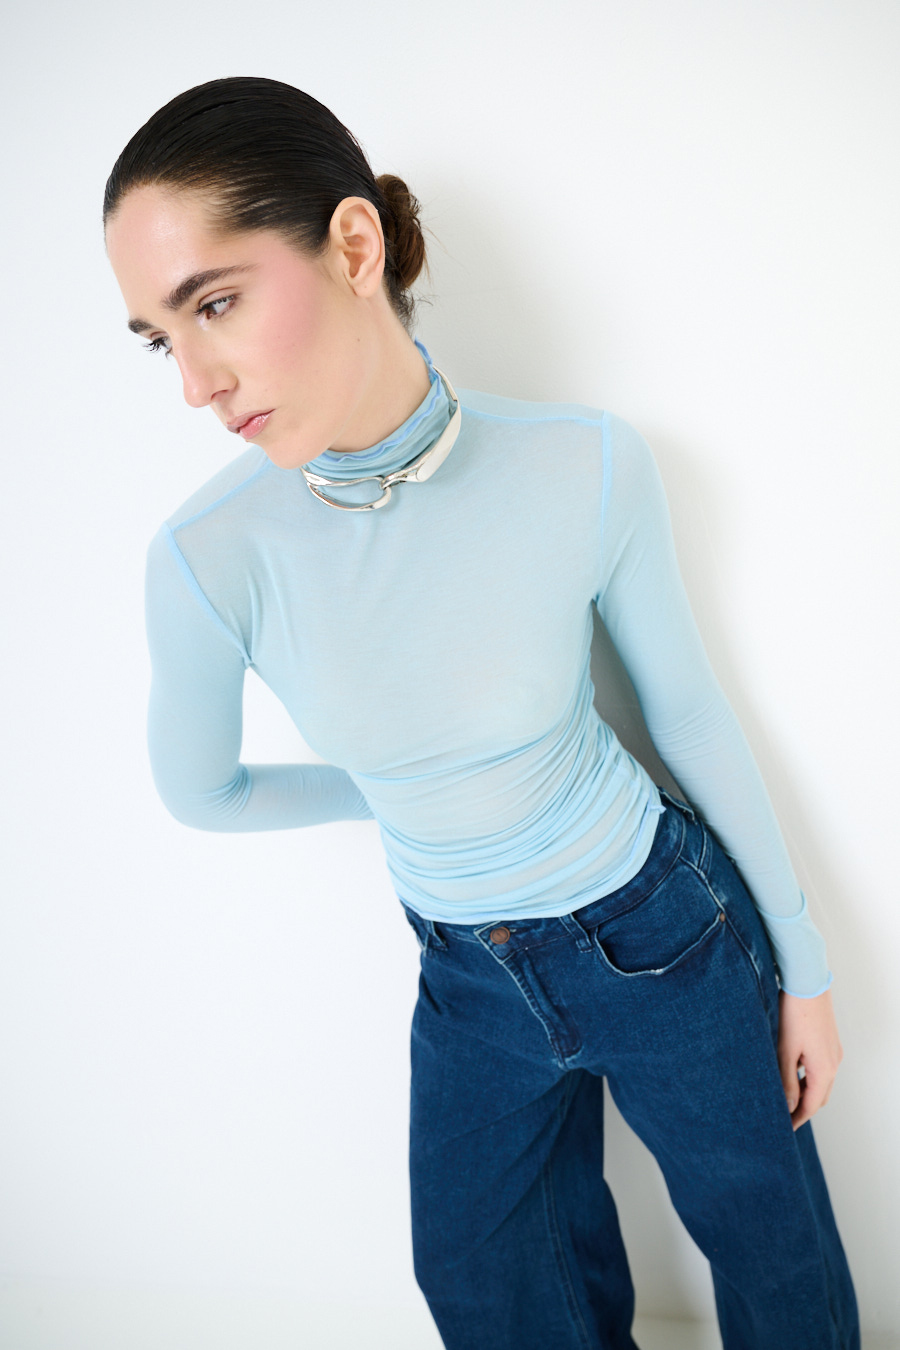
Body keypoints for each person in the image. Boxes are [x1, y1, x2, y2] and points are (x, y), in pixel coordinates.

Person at [103, 76, 860, 1350]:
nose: (195, 384)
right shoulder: (206, 558)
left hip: (664, 929)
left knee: (775, 1259)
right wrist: (410, 788)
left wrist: (806, 970)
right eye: (157, 339)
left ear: (354, 246)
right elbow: (204, 793)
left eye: (214, 304)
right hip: (468, 977)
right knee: (490, 1293)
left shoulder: (587, 460)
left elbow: (687, 714)